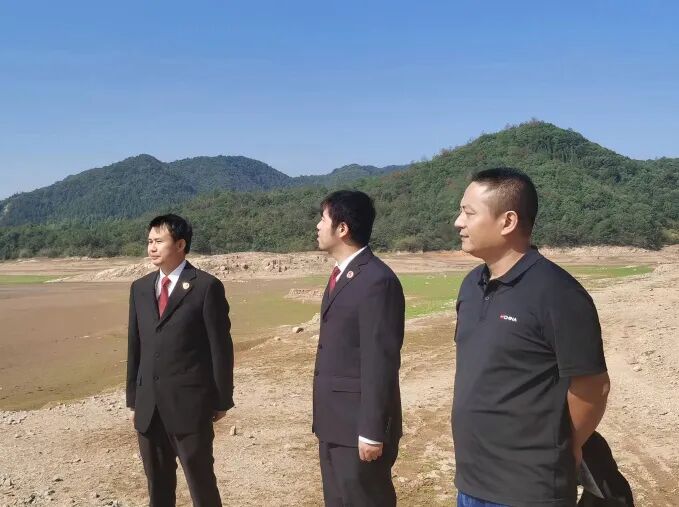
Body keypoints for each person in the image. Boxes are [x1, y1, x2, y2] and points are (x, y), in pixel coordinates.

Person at [452, 168, 610, 507]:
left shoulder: (558, 293)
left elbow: (592, 388)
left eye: (468, 213)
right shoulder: (471, 286)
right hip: (471, 483)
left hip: (528, 490)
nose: (458, 222)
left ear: (508, 221)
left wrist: (566, 447)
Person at [126, 214, 234, 507]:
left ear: (180, 244)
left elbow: (220, 349)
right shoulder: (139, 288)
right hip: (149, 408)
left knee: (201, 485)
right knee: (158, 488)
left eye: (159, 241)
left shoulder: (205, 287)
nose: (152, 247)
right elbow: (135, 347)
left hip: (190, 407)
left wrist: (221, 399)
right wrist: (134, 400)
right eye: (149, 241)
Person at [312, 190, 405, 506]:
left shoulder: (377, 280)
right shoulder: (342, 275)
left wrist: (372, 430)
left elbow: (381, 361)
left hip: (358, 428)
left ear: (342, 228)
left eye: (323, 218)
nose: (318, 226)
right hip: (334, 423)